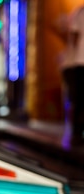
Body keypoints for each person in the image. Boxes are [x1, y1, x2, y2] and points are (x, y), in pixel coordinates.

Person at [57, 5, 84, 146]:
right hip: (79, 61)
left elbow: (74, 36)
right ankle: (76, 133)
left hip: (78, 61)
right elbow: (74, 36)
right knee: (78, 99)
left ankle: (77, 133)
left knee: (78, 99)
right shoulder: (79, 12)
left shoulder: (79, 12)